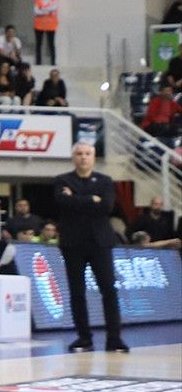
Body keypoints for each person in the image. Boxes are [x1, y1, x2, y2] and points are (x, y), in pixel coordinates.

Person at [54, 142, 127, 353]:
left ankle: (114, 339)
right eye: (79, 154)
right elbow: (62, 202)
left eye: (87, 154)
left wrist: (76, 199)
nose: (83, 157)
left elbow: (106, 207)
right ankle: (84, 338)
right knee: (77, 292)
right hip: (73, 243)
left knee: (109, 290)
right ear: (73, 157)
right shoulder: (62, 180)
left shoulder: (105, 181)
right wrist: (90, 200)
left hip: (100, 242)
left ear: (93, 157)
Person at [33, 0, 58, 64]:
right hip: (39, 25)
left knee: (51, 44)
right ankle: (38, 62)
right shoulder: (38, 0)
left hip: (51, 25)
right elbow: (36, 11)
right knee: (38, 44)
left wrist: (43, 9)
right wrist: (47, 10)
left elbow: (54, 8)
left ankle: (53, 62)